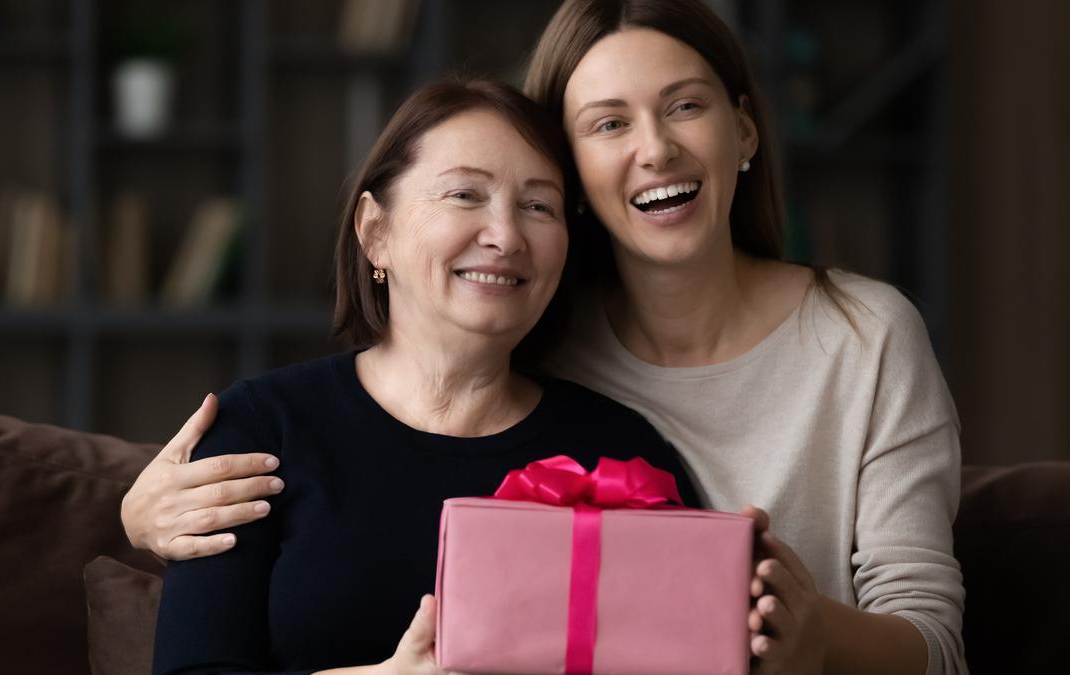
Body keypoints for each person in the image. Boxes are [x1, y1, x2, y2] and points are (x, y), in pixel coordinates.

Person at [128, 1, 966, 673]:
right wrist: (127, 511)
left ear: (743, 130)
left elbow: (923, 636)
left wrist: (809, 634)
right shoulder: (276, 425)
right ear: (373, 234)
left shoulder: (620, 435)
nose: (656, 147)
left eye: (535, 203)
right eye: (607, 124)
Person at [151, 79, 700, 674]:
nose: (507, 235)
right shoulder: (261, 431)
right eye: (465, 194)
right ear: (374, 232)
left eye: (539, 206)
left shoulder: (620, 454)